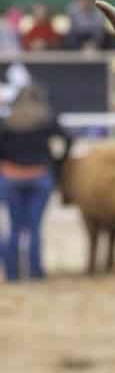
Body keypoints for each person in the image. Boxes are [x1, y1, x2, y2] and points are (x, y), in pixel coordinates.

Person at [0, 86, 72, 281]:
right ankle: (35, 273)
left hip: (10, 177)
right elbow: (68, 138)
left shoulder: (7, 122)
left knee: (14, 227)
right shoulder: (46, 119)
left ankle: (12, 274)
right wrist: (57, 162)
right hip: (39, 176)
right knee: (34, 227)